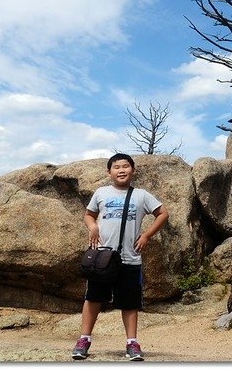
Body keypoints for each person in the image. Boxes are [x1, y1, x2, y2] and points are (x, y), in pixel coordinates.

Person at [71, 152, 169, 361]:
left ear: (133, 170)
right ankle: (84, 340)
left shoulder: (141, 195)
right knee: (93, 298)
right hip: (103, 257)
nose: (121, 170)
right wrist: (93, 227)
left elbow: (163, 213)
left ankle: (132, 344)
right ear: (109, 172)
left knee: (129, 302)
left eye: (125, 166)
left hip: (130, 257)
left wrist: (147, 235)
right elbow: (88, 214)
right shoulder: (101, 193)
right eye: (116, 167)